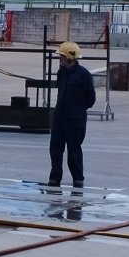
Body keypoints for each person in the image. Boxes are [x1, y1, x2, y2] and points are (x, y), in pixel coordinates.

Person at [48, 41, 96, 186]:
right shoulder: (61, 72)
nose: (60, 59)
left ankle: (78, 178)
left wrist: (78, 110)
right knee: (55, 148)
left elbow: (90, 99)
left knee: (74, 150)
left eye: (61, 56)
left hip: (75, 119)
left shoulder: (84, 75)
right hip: (59, 117)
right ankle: (55, 177)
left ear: (69, 57)